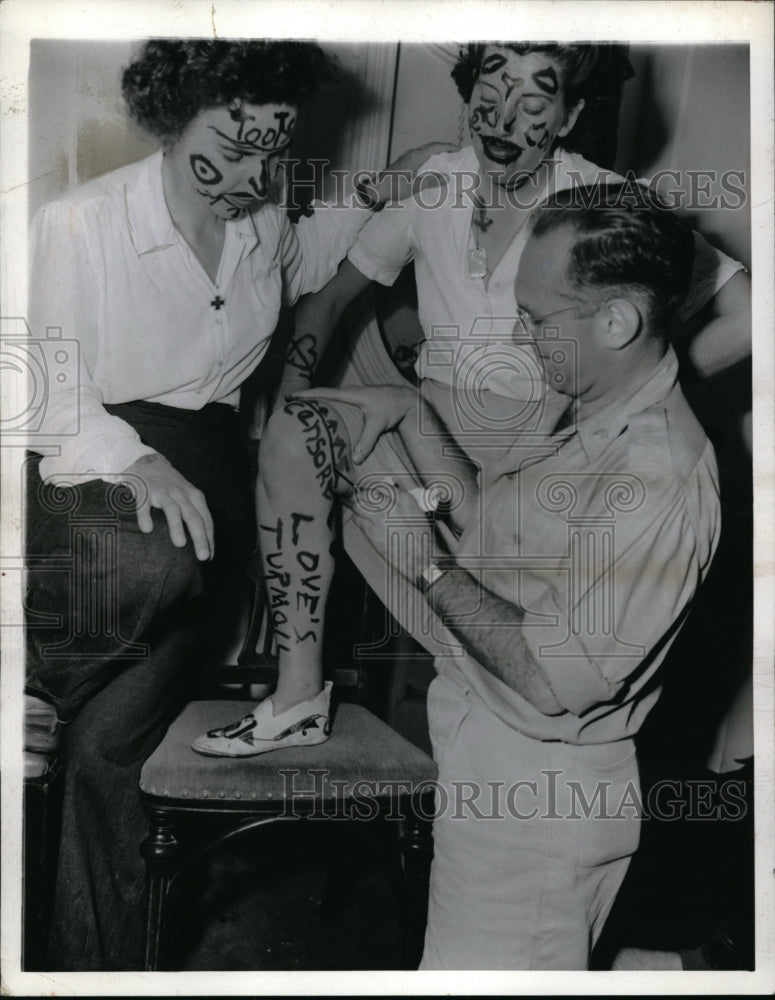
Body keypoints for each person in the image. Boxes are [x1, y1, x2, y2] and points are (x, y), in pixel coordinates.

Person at [202, 181, 722, 967]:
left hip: (535, 818)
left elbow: (551, 677)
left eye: (537, 318)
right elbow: (504, 545)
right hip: (489, 769)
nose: (520, 336)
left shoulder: (654, 474)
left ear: (617, 320)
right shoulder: (594, 402)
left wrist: (423, 563)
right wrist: (417, 417)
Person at [193, 41, 748, 753]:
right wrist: (286, 400)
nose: (502, 116)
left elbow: (747, 314)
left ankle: (475, 716)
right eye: (490, 89)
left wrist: (621, 398)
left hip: (530, 468)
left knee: (509, 638)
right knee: (303, 433)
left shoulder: (600, 202)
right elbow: (326, 302)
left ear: (570, 114)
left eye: (534, 99)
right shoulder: (434, 185)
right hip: (431, 457)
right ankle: (299, 696)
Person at [24, 38, 442, 970]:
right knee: (155, 560)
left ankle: (94, 976)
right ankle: (31, 686)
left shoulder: (264, 222)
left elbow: (315, 248)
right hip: (97, 474)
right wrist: (138, 465)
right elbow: (44, 393)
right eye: (230, 146)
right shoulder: (80, 224)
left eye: (272, 148)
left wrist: (392, 186)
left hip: (207, 480)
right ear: (174, 120)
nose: (251, 175)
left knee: (108, 762)